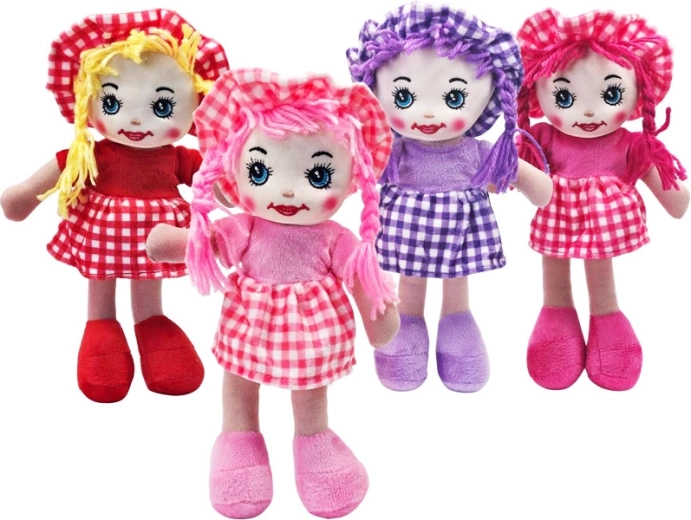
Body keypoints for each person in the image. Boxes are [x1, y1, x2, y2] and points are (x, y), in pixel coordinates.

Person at [146, 68, 400, 518]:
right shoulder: (246, 226)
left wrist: (377, 315)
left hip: (310, 330)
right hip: (250, 319)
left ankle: (314, 440)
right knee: (239, 382)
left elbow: (360, 272)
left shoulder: (333, 237)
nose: (286, 190)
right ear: (235, 169)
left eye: (318, 175)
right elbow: (210, 243)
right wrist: (175, 241)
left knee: (310, 389)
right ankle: (238, 440)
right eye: (259, 171)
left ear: (351, 178)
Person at [0, 9, 229, 402]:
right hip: (101, 232)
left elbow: (213, 180)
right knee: (101, 285)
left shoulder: (176, 157)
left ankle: (152, 324)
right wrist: (25, 195)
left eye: (162, 107)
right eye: (111, 102)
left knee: (148, 281)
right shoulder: (92, 154)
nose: (134, 121)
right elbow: (60, 168)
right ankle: (101, 327)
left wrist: (241, 191)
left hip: (157, 235)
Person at [346, 2, 552, 392]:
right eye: (403, 97)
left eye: (454, 98)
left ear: (489, 96)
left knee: (456, 285)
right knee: (410, 285)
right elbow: (356, 174)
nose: (428, 114)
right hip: (408, 234)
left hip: (459, 234)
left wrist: (534, 185)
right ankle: (408, 324)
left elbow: (523, 178)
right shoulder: (393, 152)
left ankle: (457, 323)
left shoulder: (474, 152)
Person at [516, 8, 689, 391]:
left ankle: (607, 320)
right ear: (536, 91)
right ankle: (557, 320)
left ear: (638, 90)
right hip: (556, 214)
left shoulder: (627, 143)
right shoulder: (542, 138)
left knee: (600, 272)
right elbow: (514, 166)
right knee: (555, 272)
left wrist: (674, 196)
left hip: (602, 223)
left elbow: (667, 187)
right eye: (564, 96)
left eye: (611, 94)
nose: (590, 111)